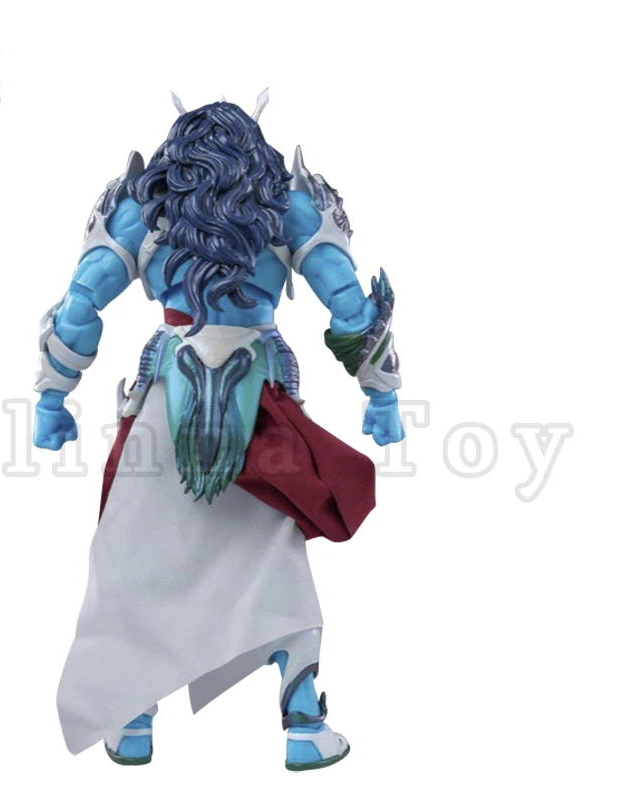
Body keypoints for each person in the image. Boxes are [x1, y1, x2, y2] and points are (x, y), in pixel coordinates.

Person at [33, 92, 404, 771]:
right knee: (270, 564)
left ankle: (132, 718)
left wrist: (52, 397)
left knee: (134, 561)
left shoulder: (145, 209)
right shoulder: (288, 205)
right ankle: (303, 723)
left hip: (165, 397)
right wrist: (381, 397)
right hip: (257, 401)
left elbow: (81, 303)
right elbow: (351, 307)